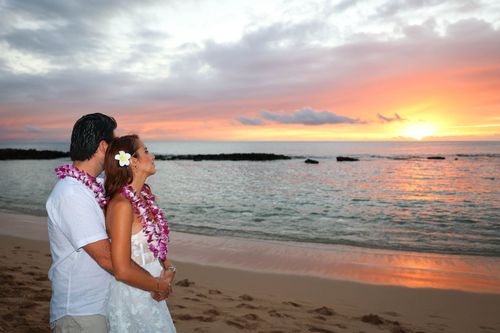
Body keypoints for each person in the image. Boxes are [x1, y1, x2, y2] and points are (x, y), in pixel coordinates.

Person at [46, 114, 172, 333]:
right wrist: (158, 285)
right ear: (104, 146)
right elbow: (107, 257)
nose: (117, 153)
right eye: (114, 145)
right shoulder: (71, 194)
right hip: (81, 312)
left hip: (106, 303)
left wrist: (166, 267)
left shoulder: (99, 187)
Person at [104, 134, 176, 332]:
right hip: (134, 296)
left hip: (153, 291)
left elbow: (154, 249)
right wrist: (159, 286)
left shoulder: (143, 198)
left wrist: (169, 271)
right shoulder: (121, 205)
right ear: (133, 161)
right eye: (146, 151)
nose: (152, 156)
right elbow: (121, 269)